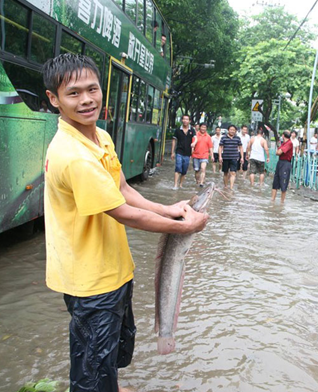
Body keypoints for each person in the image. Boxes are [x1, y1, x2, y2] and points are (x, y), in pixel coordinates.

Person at [42, 54, 208, 392]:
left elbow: (122, 188)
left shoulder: (100, 137)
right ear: (53, 99)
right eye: (73, 93)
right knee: (90, 373)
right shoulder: (73, 156)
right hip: (90, 284)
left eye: (92, 89)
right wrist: (184, 227)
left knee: (108, 357)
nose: (86, 100)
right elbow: (122, 212)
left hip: (114, 270)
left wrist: (168, 209)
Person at [171, 114, 196, 189]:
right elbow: (174, 141)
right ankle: (175, 185)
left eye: (187, 119)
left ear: (189, 121)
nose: (185, 121)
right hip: (179, 151)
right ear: (182, 120)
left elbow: (195, 138)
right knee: (178, 167)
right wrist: (172, 152)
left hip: (187, 153)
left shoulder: (192, 130)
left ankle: (181, 184)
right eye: (184, 119)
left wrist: (194, 143)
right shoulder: (178, 130)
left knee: (184, 170)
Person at [271, 131, 293, 203]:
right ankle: (272, 200)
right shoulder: (283, 144)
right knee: (275, 182)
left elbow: (279, 152)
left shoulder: (289, 143)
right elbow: (277, 152)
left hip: (285, 164)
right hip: (280, 162)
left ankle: (282, 202)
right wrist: (278, 151)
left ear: (283, 136)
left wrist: (279, 151)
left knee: (284, 182)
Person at [219, 125, 243, 190]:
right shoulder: (223, 138)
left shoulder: (237, 138)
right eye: (231, 129)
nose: (232, 131)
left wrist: (242, 157)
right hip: (225, 157)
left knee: (233, 173)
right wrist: (220, 156)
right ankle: (226, 186)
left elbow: (240, 147)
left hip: (234, 157)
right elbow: (220, 147)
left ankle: (231, 187)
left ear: (235, 131)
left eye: (233, 130)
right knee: (225, 173)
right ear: (228, 130)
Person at [192, 123, 213, 187]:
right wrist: (191, 152)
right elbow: (193, 145)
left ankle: (201, 183)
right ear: (199, 127)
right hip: (196, 155)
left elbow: (210, 147)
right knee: (197, 170)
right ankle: (197, 181)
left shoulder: (208, 137)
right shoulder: (195, 135)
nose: (203, 129)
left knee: (203, 168)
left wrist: (212, 156)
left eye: (205, 127)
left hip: (205, 155)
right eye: (202, 127)